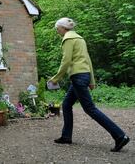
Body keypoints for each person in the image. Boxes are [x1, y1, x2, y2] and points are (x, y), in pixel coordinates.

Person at [48, 17, 130, 152]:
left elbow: (66, 61)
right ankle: (66, 136)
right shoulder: (80, 39)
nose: (57, 32)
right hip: (83, 75)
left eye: (57, 29)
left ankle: (120, 136)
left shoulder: (68, 39)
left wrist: (55, 78)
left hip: (78, 77)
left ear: (63, 28)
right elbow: (88, 60)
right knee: (66, 105)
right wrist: (91, 80)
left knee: (90, 109)